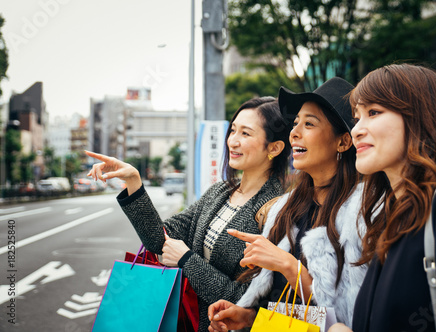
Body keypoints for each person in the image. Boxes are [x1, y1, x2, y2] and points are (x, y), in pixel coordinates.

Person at [85, 96, 291, 332]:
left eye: (245, 134)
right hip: (186, 322)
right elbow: (157, 240)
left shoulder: (278, 211)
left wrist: (187, 261)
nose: (232, 141)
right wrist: (134, 182)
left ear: (274, 147)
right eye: (232, 130)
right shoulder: (219, 192)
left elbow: (247, 302)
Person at [329, 64, 436, 332]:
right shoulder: (388, 219)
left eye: (373, 112)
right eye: (356, 118)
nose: (357, 130)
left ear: (421, 118)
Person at [208, 77, 367, 331]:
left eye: (309, 124)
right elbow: (290, 310)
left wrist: (288, 264)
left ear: (343, 142)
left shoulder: (361, 216)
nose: (294, 132)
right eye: (295, 123)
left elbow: (345, 319)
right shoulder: (285, 208)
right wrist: (248, 318)